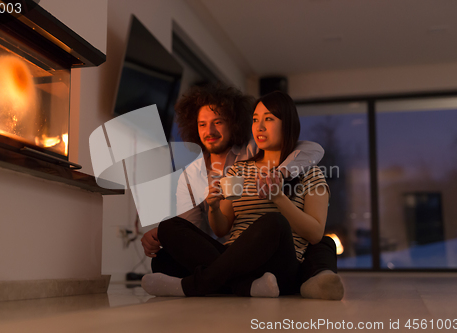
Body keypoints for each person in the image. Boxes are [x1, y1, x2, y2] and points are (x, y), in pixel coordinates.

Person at [141, 85, 343, 299]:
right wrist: (214, 207)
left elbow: (315, 234)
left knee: (275, 222)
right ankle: (246, 287)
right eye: (256, 120)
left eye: (269, 119)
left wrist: (279, 196)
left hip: (280, 264)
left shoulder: (308, 170)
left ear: (288, 124)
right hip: (233, 257)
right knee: (167, 232)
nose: (260, 127)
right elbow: (221, 229)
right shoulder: (238, 169)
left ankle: (194, 286)